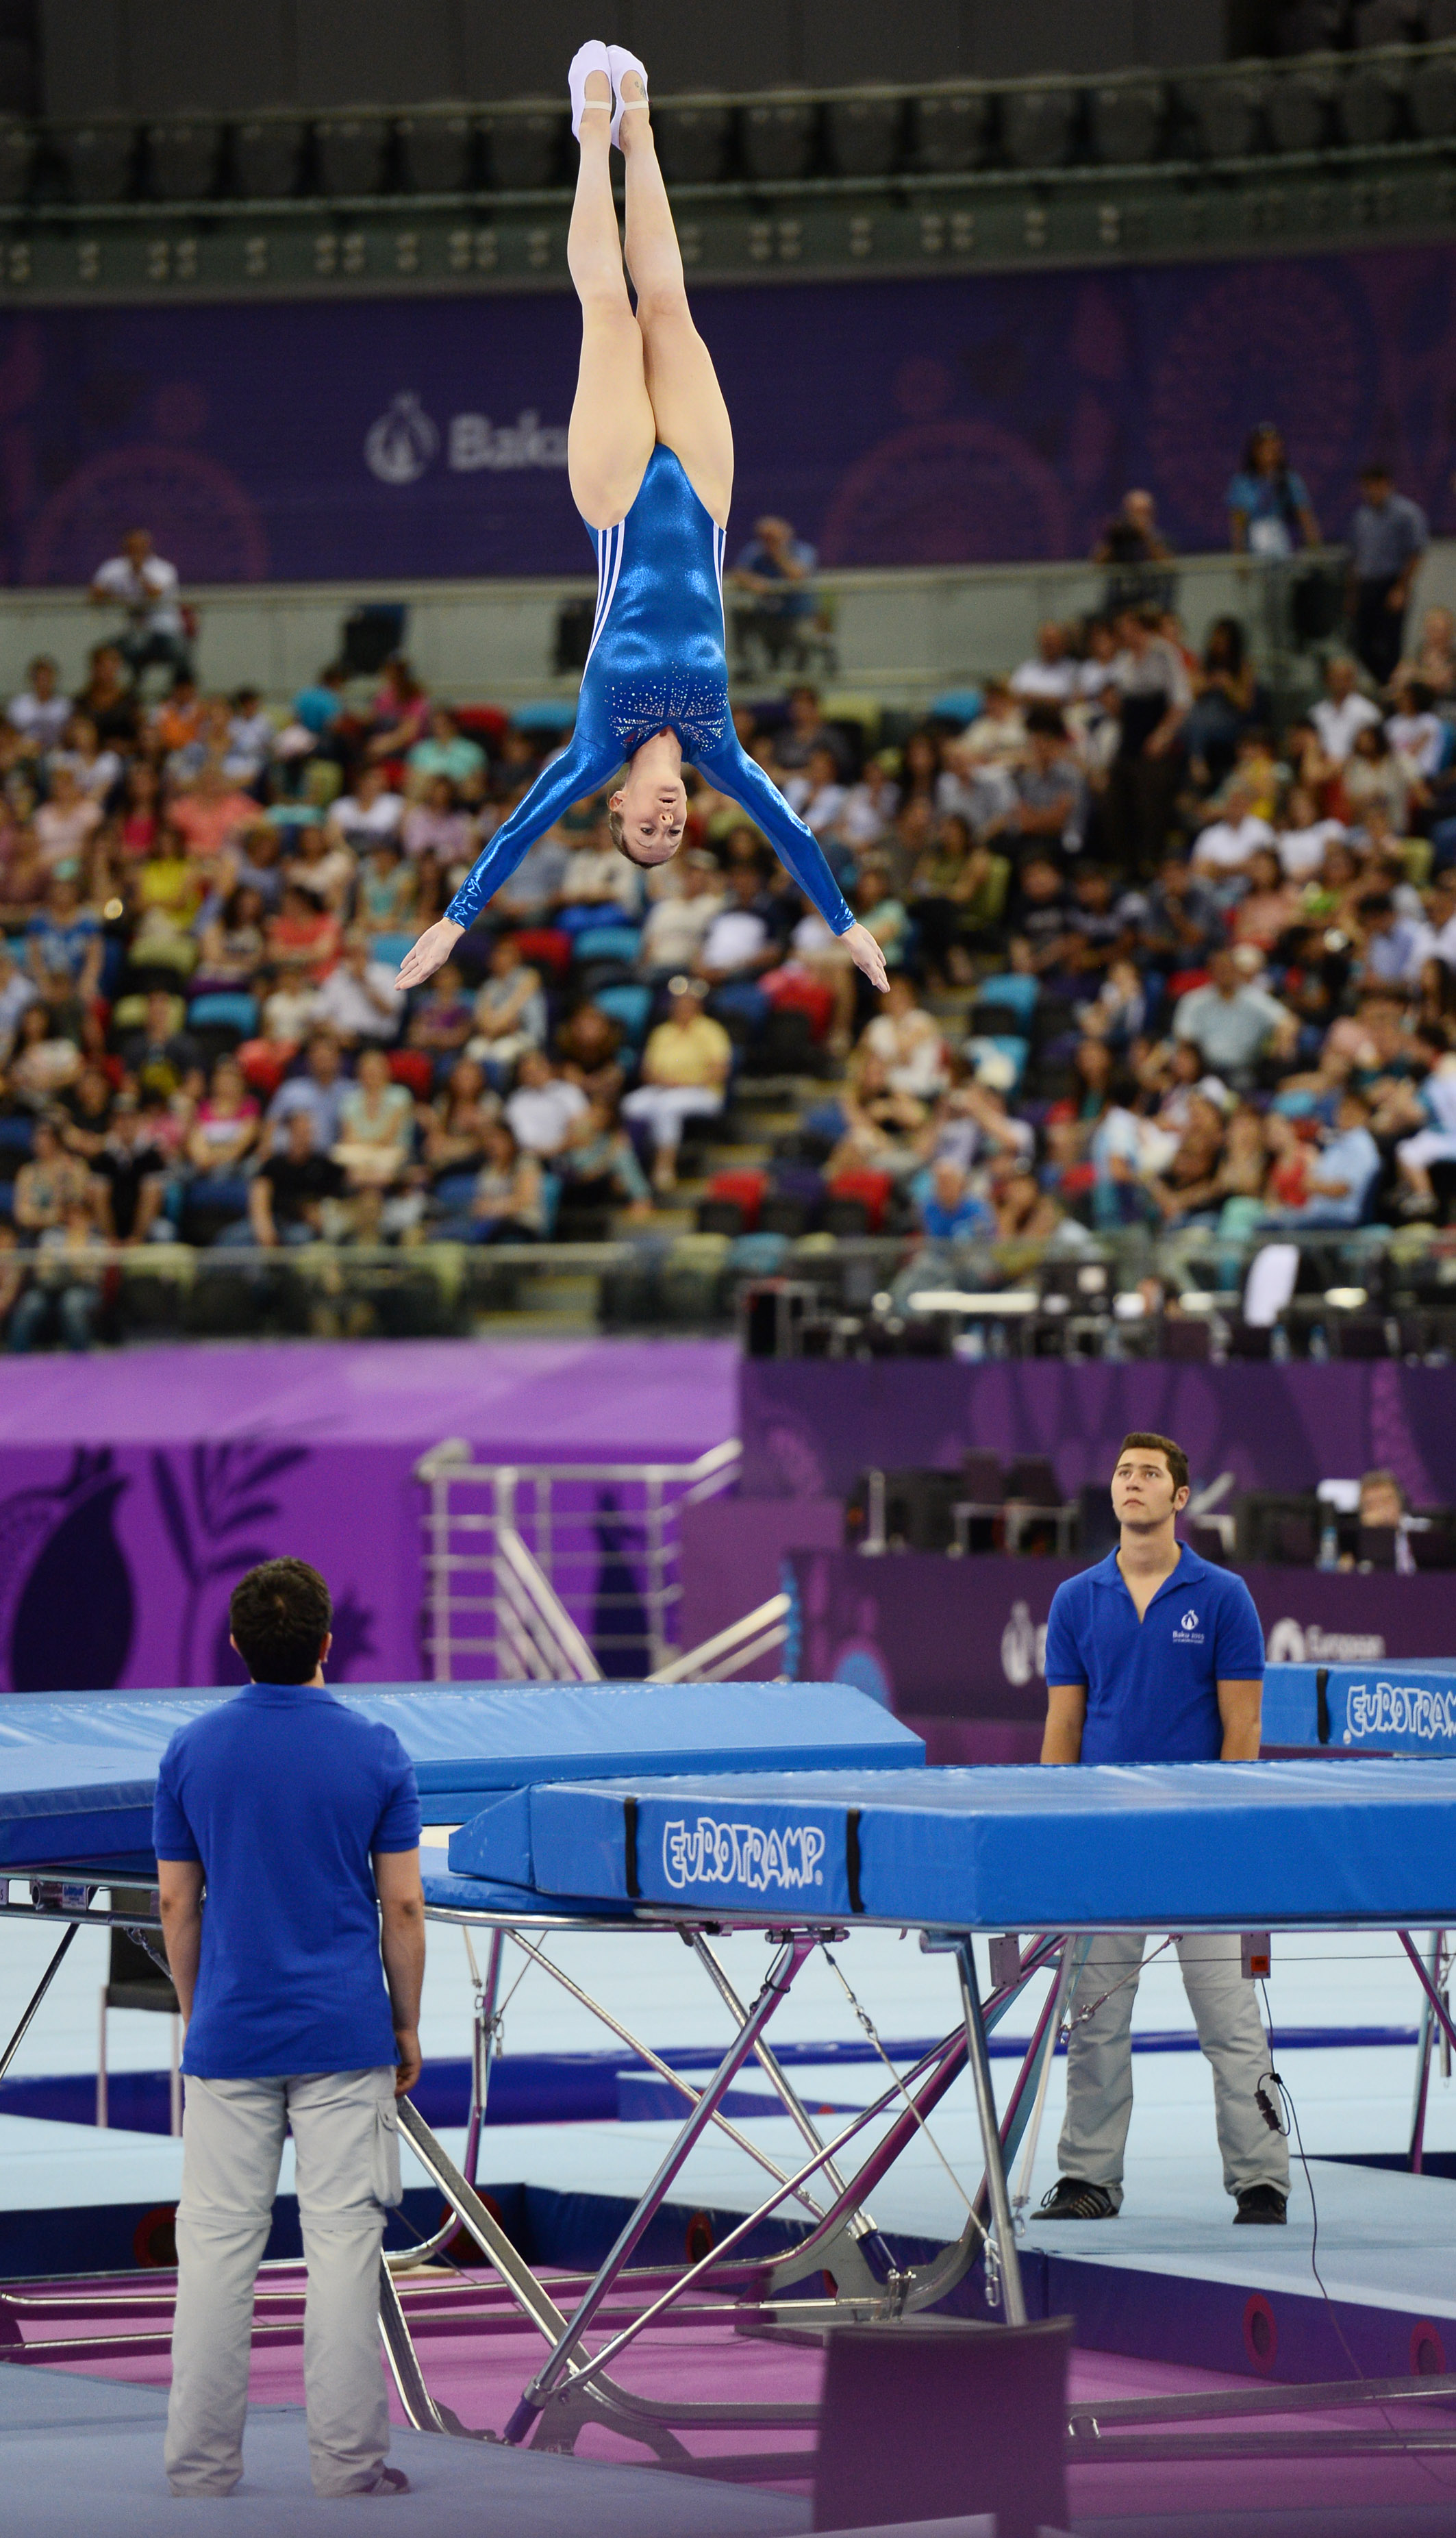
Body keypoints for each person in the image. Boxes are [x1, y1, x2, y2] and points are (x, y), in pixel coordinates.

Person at [395, 45, 886, 1008]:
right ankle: (640, 129)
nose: (664, 821)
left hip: (615, 500)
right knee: (668, 302)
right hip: (703, 496)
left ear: (613, 805)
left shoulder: (592, 742)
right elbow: (792, 833)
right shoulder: (718, 748)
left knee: (609, 315)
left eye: (643, 828)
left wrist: (453, 921)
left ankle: (587, 134)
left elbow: (518, 830)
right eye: (673, 832)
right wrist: (845, 922)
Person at [154, 1558, 423, 2498]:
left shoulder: (191, 1752)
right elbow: (404, 1911)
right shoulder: (378, 1751)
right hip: (344, 2032)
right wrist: (406, 2025)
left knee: (216, 2254)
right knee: (343, 2248)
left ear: (234, 1644)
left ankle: (197, 2467)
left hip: (231, 2033)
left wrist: (199, 2011)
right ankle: (346, 2465)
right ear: (325, 1642)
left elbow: (177, 1904)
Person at [1037, 1432, 1288, 2227]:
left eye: (1149, 1474)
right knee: (1095, 2021)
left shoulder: (1222, 1597)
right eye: (1122, 1471)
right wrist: (1048, 1833)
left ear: (1180, 1498)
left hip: (1198, 1845)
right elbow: (1063, 1728)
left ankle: (1260, 2181)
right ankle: (1087, 2178)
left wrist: (1223, 1833)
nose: (1132, 1483)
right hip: (1104, 1843)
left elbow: (1242, 1729)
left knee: (1230, 2022)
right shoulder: (1075, 1600)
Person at [623, 973, 732, 1191]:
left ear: (698, 1005)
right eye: (678, 1003)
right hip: (663, 1089)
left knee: (667, 1107)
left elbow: (721, 1071)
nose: (682, 1007)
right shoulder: (662, 1032)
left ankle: (664, 1168)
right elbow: (647, 1071)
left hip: (703, 1092)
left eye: (687, 1003)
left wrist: (685, 1084)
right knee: (631, 1105)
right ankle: (631, 1165)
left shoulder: (710, 1030)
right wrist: (662, 1081)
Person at [1346, 463, 1429, 688]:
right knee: (1360, 643)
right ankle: (1386, 686)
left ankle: (1393, 690)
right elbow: (1355, 557)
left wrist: (1401, 588)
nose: (1372, 492)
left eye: (1376, 486)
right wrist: (1353, 594)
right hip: (1367, 584)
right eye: (1367, 487)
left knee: (1391, 643)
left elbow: (1416, 552)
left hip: (1392, 583)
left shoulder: (1406, 513)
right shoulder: (1361, 516)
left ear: (1387, 485)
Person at [90, 527, 191, 681]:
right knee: (107, 651)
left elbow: (154, 594)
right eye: (132, 547)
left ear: (148, 546)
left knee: (180, 651)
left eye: (140, 547)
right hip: (133, 631)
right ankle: (130, 693)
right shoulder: (114, 567)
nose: (136, 551)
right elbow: (95, 593)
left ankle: (181, 694)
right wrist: (118, 595)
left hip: (165, 631)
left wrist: (138, 573)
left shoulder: (164, 568)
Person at [1225, 424, 1320, 558]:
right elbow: (1238, 525)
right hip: (1255, 541)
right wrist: (1240, 558)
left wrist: (1315, 550)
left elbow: (1305, 516)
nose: (1272, 452)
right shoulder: (1243, 482)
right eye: (1266, 447)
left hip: (1282, 539)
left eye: (1275, 447)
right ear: (1255, 451)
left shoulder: (1289, 479)